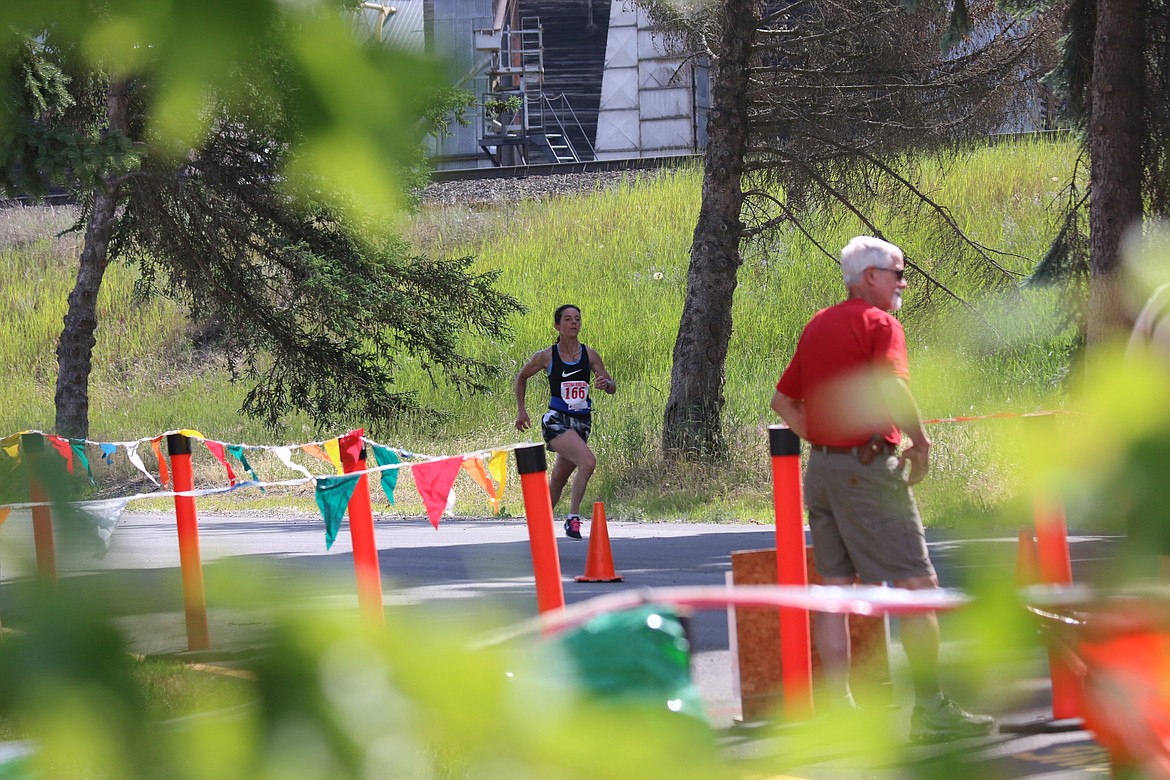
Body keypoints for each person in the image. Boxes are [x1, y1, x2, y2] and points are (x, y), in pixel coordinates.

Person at [770, 235, 994, 743]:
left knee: (833, 593)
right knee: (918, 589)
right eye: (897, 272)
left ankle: (840, 715)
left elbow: (783, 401)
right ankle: (931, 711)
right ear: (870, 276)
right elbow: (893, 387)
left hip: (822, 473)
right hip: (868, 471)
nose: (902, 283)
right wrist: (921, 442)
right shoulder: (879, 324)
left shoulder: (819, 324)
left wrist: (824, 440)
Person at [515, 304, 616, 539]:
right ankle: (573, 519)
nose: (574, 323)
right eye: (568, 319)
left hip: (581, 422)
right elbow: (521, 377)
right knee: (588, 462)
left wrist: (605, 384)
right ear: (557, 326)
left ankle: (539, 525)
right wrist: (522, 411)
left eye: (577, 319)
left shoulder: (589, 355)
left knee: (559, 478)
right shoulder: (546, 356)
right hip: (556, 421)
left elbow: (611, 386)